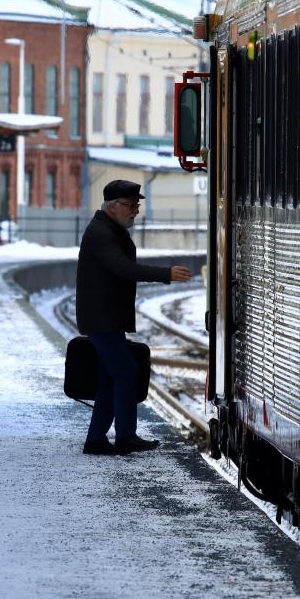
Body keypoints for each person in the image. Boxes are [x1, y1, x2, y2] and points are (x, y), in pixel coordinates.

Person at [76, 179, 191, 456]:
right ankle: (126, 436)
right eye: (130, 205)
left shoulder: (108, 228)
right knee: (126, 371)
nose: (135, 211)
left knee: (109, 378)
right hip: (102, 319)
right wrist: (165, 274)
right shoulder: (101, 232)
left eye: (137, 205)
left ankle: (96, 439)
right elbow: (122, 268)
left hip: (106, 318)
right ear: (113, 207)